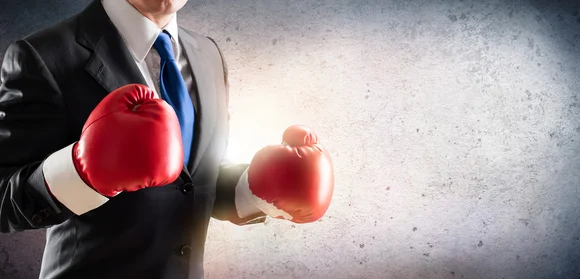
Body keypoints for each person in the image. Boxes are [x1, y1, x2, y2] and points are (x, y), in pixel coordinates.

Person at [0, 0, 335, 278]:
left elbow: (191, 183)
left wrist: (261, 189)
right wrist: (81, 174)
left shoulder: (207, 53)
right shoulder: (41, 55)